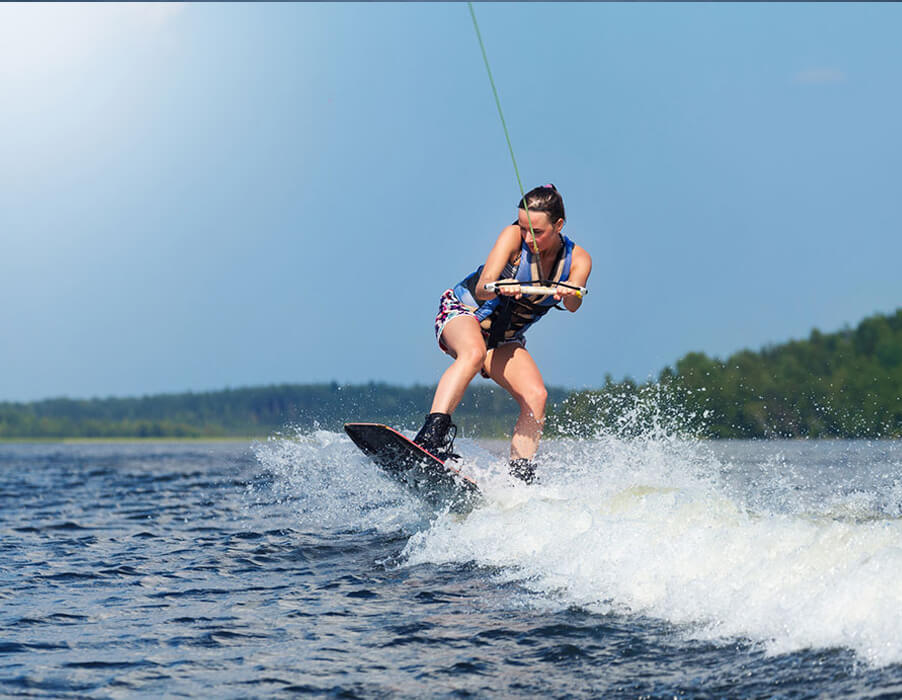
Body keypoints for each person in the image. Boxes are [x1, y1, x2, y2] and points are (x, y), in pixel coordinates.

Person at [413, 184, 592, 483]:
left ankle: (519, 478)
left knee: (537, 395)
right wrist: (501, 285)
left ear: (559, 225)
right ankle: (430, 438)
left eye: (537, 231)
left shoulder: (579, 260)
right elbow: (483, 287)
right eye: (523, 228)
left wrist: (567, 291)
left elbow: (573, 304)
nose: (528, 238)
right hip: (464, 313)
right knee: (473, 354)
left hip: (503, 338)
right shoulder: (512, 238)